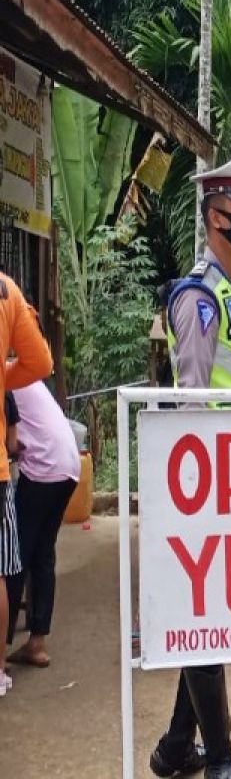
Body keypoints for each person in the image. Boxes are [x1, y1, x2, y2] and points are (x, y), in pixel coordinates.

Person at [151, 149, 231, 779]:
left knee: (209, 619)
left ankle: (175, 748)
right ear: (213, 218)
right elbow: (191, 410)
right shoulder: (199, 300)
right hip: (209, 483)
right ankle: (220, 760)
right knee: (209, 622)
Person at [0, 281, 54, 698]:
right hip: (19, 470)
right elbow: (41, 362)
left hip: (43, 471)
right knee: (10, 566)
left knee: (25, 559)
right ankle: (5, 663)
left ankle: (32, 642)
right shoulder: (7, 291)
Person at [5, 379, 82, 668]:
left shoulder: (7, 381)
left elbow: (11, 443)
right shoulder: (25, 374)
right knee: (41, 555)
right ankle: (37, 643)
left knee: (15, 557)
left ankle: (1, 649)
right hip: (67, 467)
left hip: (44, 468)